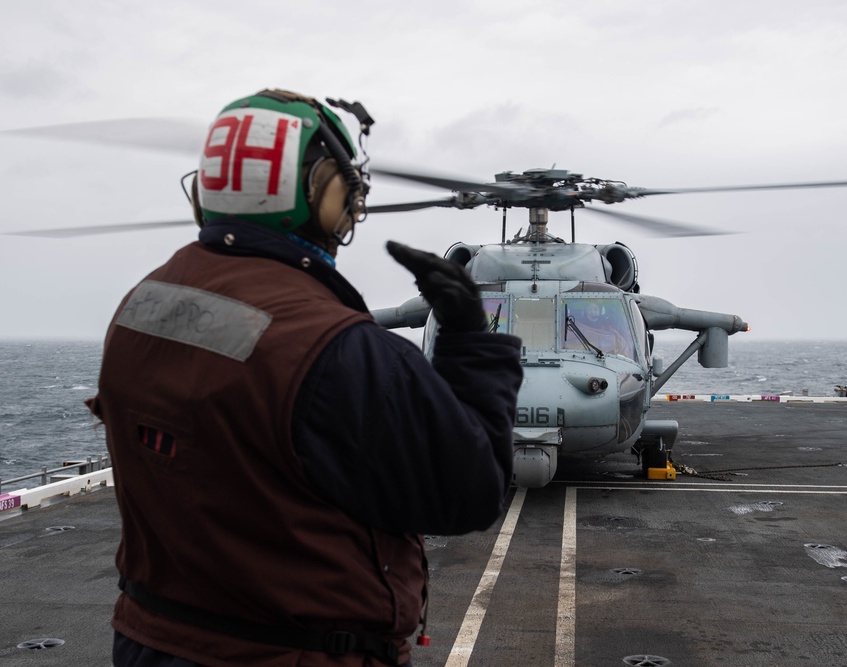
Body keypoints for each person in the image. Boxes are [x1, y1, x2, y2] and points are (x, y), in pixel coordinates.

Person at [86, 89, 523, 667]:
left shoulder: (141, 307)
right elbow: (470, 492)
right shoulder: (339, 348)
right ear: (323, 192)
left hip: (153, 640)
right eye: (348, 187)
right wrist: (470, 342)